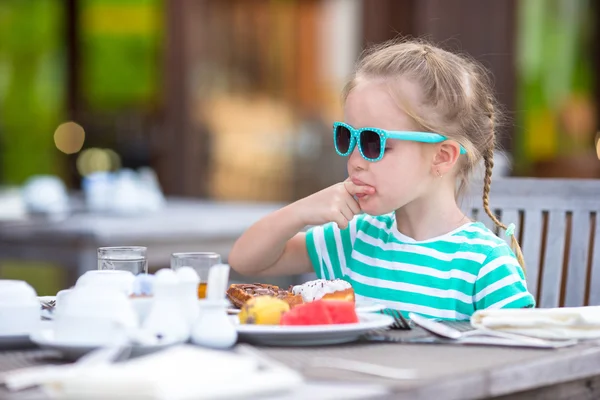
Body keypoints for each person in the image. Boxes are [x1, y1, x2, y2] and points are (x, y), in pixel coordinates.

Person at [228, 39, 535, 320]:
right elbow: (246, 260)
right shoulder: (357, 238)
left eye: (375, 143)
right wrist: (301, 212)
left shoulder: (484, 263)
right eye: (348, 136)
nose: (356, 161)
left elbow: (520, 358)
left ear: (441, 157)